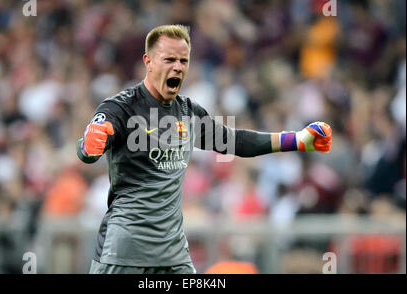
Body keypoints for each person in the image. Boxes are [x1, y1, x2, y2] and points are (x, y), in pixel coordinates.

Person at [76, 24, 332, 274]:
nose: (178, 67)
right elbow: (89, 147)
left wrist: (297, 140)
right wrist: (88, 145)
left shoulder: (188, 113)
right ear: (148, 61)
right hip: (125, 248)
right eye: (169, 59)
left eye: (183, 61)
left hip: (171, 252)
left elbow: (236, 141)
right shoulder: (121, 107)